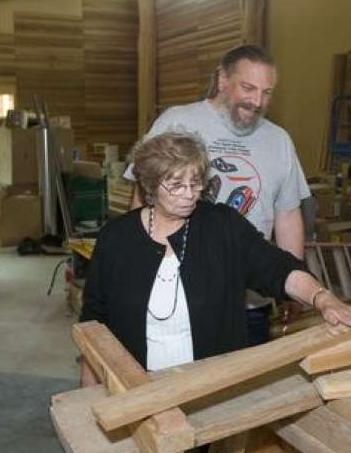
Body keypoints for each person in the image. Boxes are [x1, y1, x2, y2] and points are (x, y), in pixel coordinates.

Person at [80, 131, 351, 386]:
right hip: (137, 387)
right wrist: (88, 391)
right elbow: (93, 320)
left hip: (213, 389)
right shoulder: (116, 238)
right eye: (176, 185)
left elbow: (278, 268)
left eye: (195, 183)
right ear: (148, 186)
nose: (189, 195)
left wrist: (323, 298)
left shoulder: (222, 226)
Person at [125, 45, 312, 329]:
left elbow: (287, 216)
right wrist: (138, 271)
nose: (257, 101)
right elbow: (141, 197)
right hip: (179, 298)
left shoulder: (279, 140)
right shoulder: (178, 122)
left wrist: (292, 286)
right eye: (248, 88)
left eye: (266, 92)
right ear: (223, 79)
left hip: (250, 303)